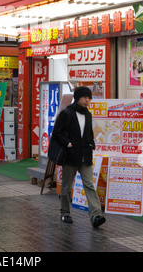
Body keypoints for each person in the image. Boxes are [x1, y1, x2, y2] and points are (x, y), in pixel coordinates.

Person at [51, 86, 106, 228]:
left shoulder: (88, 114)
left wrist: (91, 143)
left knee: (89, 185)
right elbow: (57, 132)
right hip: (70, 156)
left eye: (89, 98)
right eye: (85, 98)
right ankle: (65, 212)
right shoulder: (67, 113)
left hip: (85, 155)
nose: (88, 100)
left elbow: (88, 133)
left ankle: (96, 216)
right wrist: (67, 143)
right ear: (78, 98)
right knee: (66, 187)